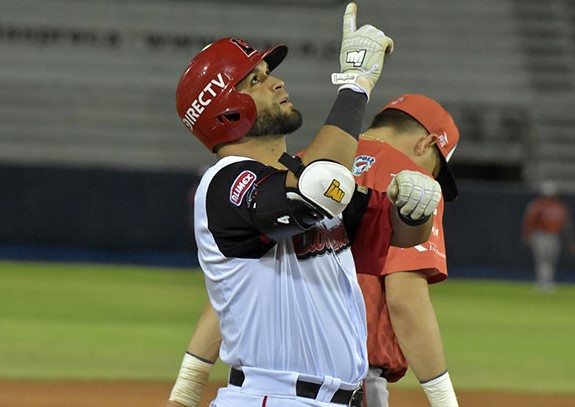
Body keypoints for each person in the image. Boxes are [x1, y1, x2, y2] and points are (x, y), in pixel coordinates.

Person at [168, 4, 443, 407]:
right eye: (255, 81)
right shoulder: (224, 182)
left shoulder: (297, 173)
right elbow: (316, 187)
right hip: (274, 397)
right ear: (226, 111)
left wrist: (415, 206)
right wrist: (354, 84)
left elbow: (398, 236)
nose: (276, 82)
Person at [353, 94, 460, 407]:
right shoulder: (413, 183)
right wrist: (444, 401)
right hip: (348, 379)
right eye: (436, 167)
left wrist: (197, 372)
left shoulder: (313, 158)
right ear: (425, 143)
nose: (433, 175)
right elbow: (405, 300)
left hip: (269, 379)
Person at [522, 181, 575, 293]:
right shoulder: (537, 205)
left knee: (552, 260)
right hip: (540, 235)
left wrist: (571, 240)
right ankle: (543, 282)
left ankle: (548, 281)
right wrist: (527, 235)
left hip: (554, 236)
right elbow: (529, 222)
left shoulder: (559, 207)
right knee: (542, 259)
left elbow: (566, 224)